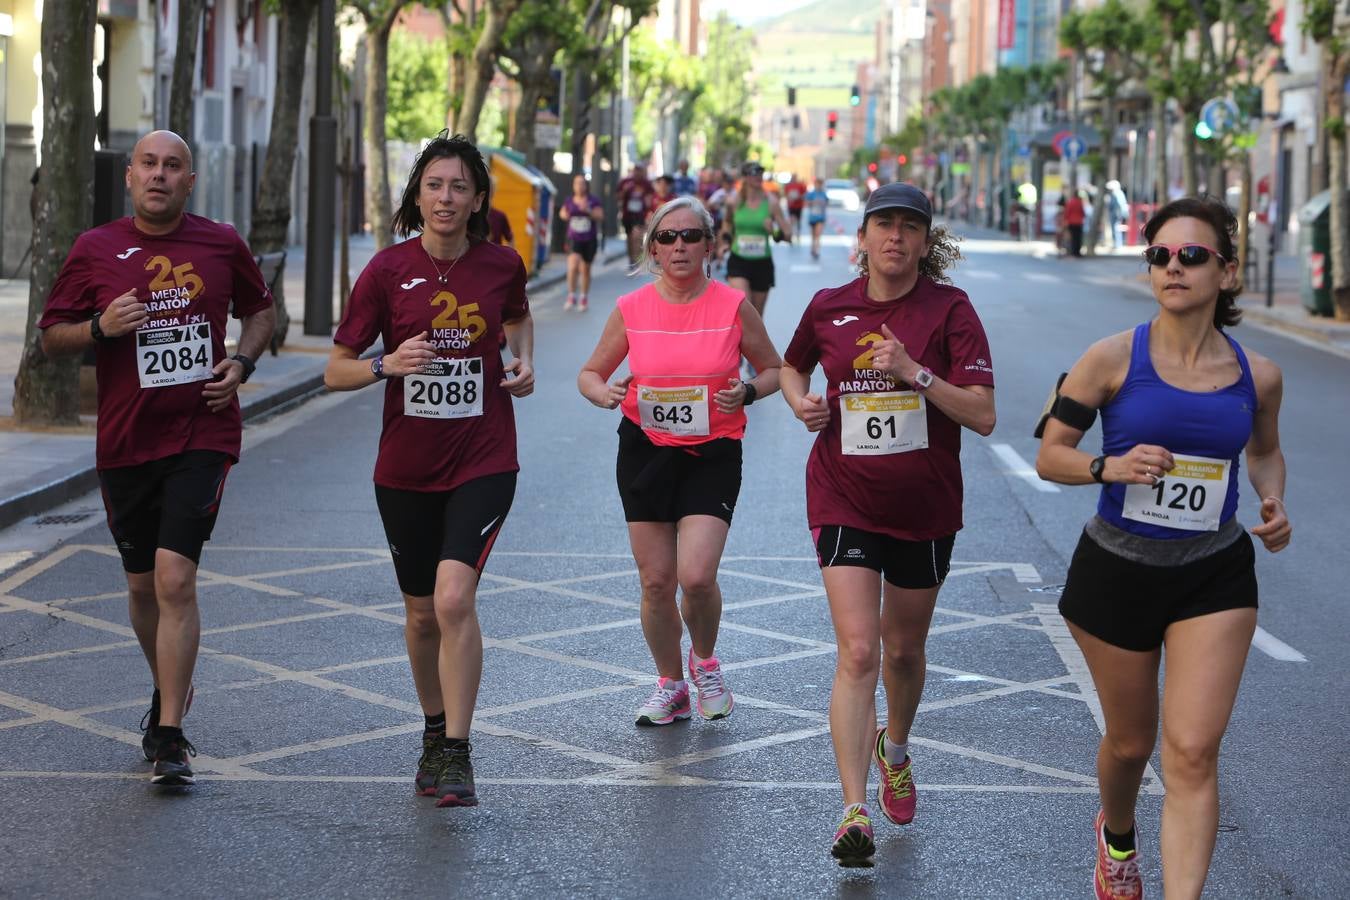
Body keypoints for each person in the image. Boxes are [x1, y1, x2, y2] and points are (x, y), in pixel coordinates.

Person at [1034, 196, 1290, 900]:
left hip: (1214, 573)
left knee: (1193, 752)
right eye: (1160, 256)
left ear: (1228, 272)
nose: (1173, 267)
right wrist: (1107, 467)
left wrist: (1272, 501)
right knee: (1130, 744)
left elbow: (1265, 455)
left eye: (1192, 256)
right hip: (1116, 572)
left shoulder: (1258, 374)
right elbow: (1050, 455)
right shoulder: (1109, 360)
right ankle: (1117, 834)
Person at [38, 130, 276, 786]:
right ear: (130, 177)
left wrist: (243, 361)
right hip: (125, 440)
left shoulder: (221, 242)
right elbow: (52, 337)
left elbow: (261, 311)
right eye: (149, 164)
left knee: (175, 579)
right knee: (142, 586)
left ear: (190, 181)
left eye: (173, 167)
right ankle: (168, 686)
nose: (160, 176)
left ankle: (169, 734)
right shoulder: (95, 249)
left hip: (202, 431)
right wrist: (97, 329)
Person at [779, 182, 996, 867]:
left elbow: (984, 414)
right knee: (859, 651)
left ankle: (893, 747)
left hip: (926, 507)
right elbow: (790, 366)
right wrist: (800, 403)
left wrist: (915, 373)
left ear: (926, 241)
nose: (895, 238)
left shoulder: (950, 310)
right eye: (884, 225)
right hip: (843, 494)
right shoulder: (829, 306)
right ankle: (853, 810)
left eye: (909, 227)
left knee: (902, 652)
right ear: (864, 237)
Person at [324, 132, 535, 809]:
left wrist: (522, 364)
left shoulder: (502, 265)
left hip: (483, 458)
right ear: (418, 195)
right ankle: (433, 725)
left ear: (478, 201)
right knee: (420, 616)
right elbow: (335, 370)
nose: (446, 198)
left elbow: (518, 319)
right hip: (406, 467)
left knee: (452, 599)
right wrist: (386, 364)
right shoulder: (386, 271)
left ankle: (458, 752)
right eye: (435, 185)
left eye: (460, 188)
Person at [577, 196, 782, 729]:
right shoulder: (632, 308)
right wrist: (605, 394)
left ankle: (706, 661)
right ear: (652, 249)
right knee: (655, 581)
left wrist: (749, 391)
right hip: (645, 450)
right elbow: (590, 373)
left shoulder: (733, 305)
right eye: (667, 238)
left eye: (691, 236)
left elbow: (775, 369)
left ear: (710, 246)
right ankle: (671, 684)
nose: (680, 246)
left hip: (712, 452)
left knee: (694, 576)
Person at [720, 162, 793, 320]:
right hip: (738, 260)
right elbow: (727, 223)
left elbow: (788, 235)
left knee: (756, 318)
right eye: (754, 173)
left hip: (762, 264)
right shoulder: (734, 201)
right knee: (745, 309)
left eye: (760, 173)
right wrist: (725, 243)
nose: (758, 177)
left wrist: (774, 231)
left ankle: (752, 344)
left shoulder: (771, 203)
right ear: (745, 177)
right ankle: (737, 345)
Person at [560, 173, 604, 312]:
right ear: (573, 186)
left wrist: (588, 210)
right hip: (573, 238)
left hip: (589, 239)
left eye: (582, 183)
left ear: (586, 185)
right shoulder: (569, 200)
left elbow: (600, 216)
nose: (579, 186)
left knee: (585, 269)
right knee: (573, 265)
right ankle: (571, 295)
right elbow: (562, 213)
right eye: (576, 183)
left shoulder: (593, 200)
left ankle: (583, 297)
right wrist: (564, 215)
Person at [619, 162, 654, 264]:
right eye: (636, 170)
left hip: (640, 215)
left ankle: (637, 259)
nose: (637, 173)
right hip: (628, 215)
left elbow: (651, 197)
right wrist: (624, 192)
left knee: (637, 236)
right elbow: (618, 197)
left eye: (640, 170)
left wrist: (648, 203)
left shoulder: (646, 183)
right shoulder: (626, 182)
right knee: (629, 237)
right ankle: (631, 258)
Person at [804, 178, 829, 260]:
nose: (818, 186)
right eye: (817, 184)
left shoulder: (823, 194)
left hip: (820, 217)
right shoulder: (811, 194)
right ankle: (812, 248)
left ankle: (816, 251)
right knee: (813, 235)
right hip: (812, 217)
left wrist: (822, 203)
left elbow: (826, 203)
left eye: (820, 184)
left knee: (818, 234)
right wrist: (814, 202)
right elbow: (806, 203)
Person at [1106, 180, 1130, 249]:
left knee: (1116, 229)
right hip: (1116, 213)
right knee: (1116, 229)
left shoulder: (1117, 194)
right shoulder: (1118, 193)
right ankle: (1117, 243)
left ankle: (1117, 244)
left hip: (1116, 214)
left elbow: (1118, 205)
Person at [1065, 190, 1087, 258]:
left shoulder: (1070, 202)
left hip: (1071, 222)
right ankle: (1077, 252)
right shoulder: (1080, 202)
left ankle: (1073, 252)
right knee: (1078, 238)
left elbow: (1067, 212)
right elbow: (1082, 212)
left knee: (1073, 238)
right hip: (1079, 222)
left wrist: (1066, 220)